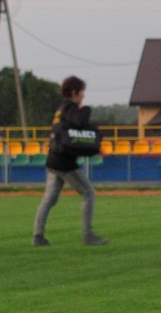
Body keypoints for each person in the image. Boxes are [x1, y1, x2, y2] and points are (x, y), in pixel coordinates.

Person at [33, 76, 109, 247]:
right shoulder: (71, 107)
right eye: (81, 91)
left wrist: (95, 148)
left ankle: (38, 236)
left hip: (53, 160)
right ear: (75, 92)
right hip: (64, 163)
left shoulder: (61, 109)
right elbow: (80, 122)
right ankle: (88, 235)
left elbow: (74, 132)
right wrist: (86, 109)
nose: (83, 95)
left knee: (49, 199)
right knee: (89, 193)